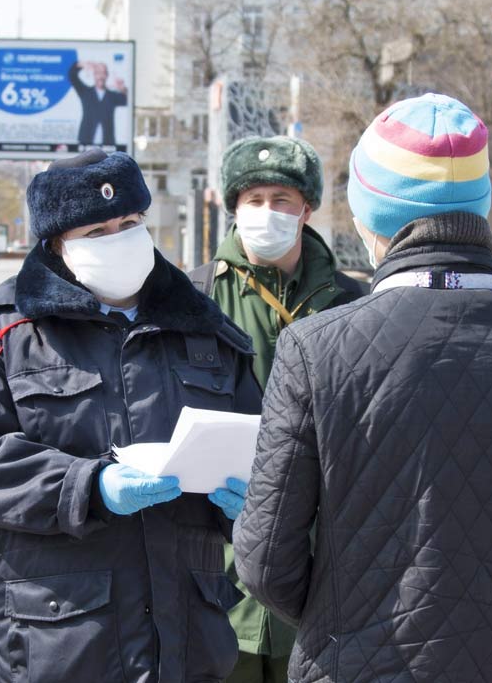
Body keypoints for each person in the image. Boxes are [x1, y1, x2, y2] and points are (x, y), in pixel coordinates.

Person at [233, 94, 492, 682]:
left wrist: (350, 617)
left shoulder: (315, 349)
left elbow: (267, 562)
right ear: (478, 211)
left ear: (371, 217)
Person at [0, 149, 259, 683]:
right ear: (57, 244)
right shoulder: (5, 333)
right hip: (58, 638)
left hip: (186, 639)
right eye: (97, 230)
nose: (120, 238)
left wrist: (248, 504)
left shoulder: (204, 328)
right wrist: (87, 485)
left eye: (129, 223)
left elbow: (258, 443)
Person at [189, 134, 364, 682]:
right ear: (231, 206)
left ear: (307, 208)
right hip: (217, 563)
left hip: (322, 564)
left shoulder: (355, 301)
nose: (267, 212)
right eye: (254, 199)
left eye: (282, 200)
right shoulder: (191, 298)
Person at [69, 60, 128, 146]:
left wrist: (123, 89)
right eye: (98, 73)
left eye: (103, 73)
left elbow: (128, 100)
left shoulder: (112, 96)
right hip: (85, 143)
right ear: (94, 75)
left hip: (107, 145)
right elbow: (72, 76)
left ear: (107, 75)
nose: (100, 76)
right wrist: (82, 64)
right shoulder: (85, 92)